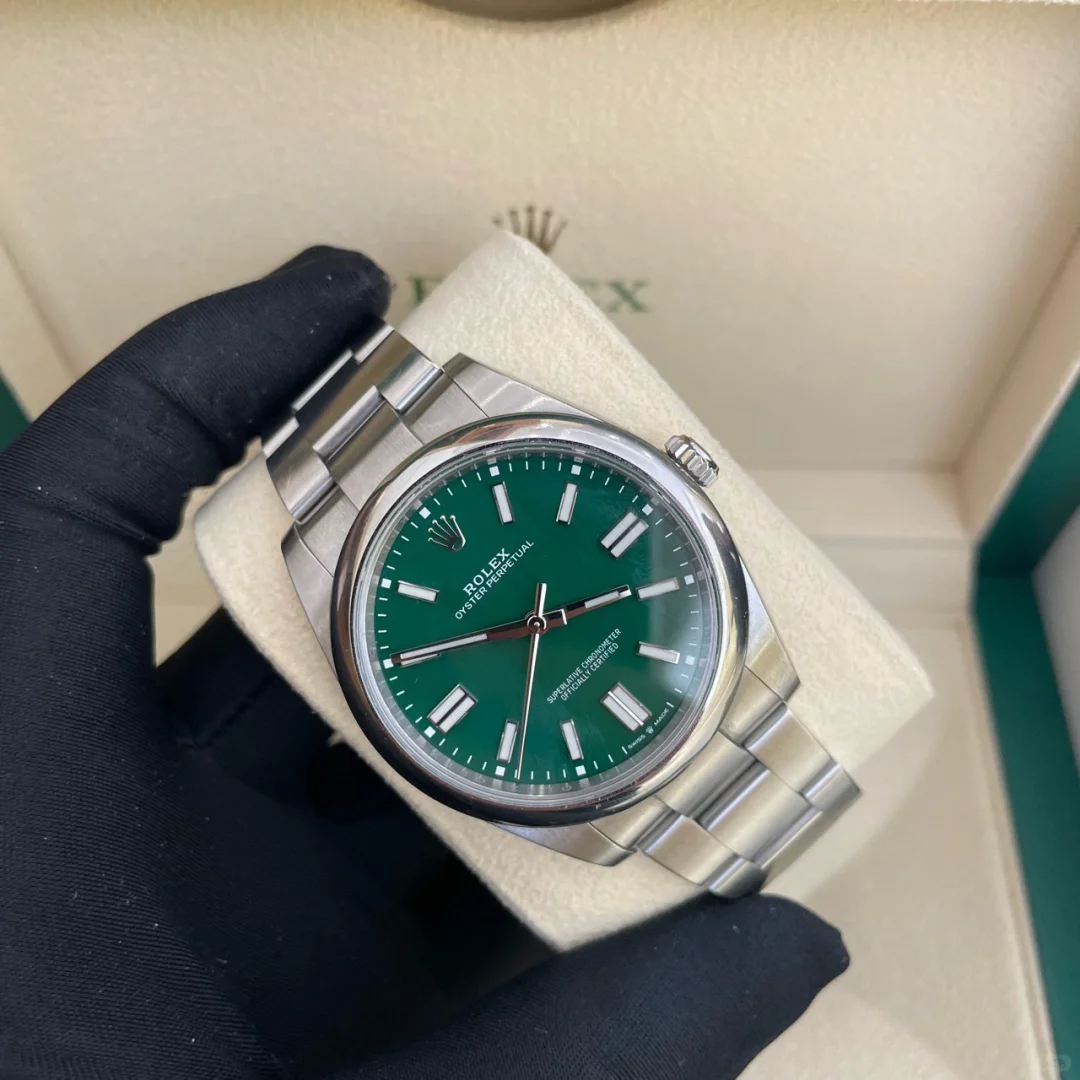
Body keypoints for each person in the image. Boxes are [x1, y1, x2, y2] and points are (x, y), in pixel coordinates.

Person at [0, 247, 849, 1080]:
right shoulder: (341, 580)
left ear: (683, 473)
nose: (540, 625)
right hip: (563, 749)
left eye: (540, 620)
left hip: (685, 679)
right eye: (536, 624)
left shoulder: (516, 443)